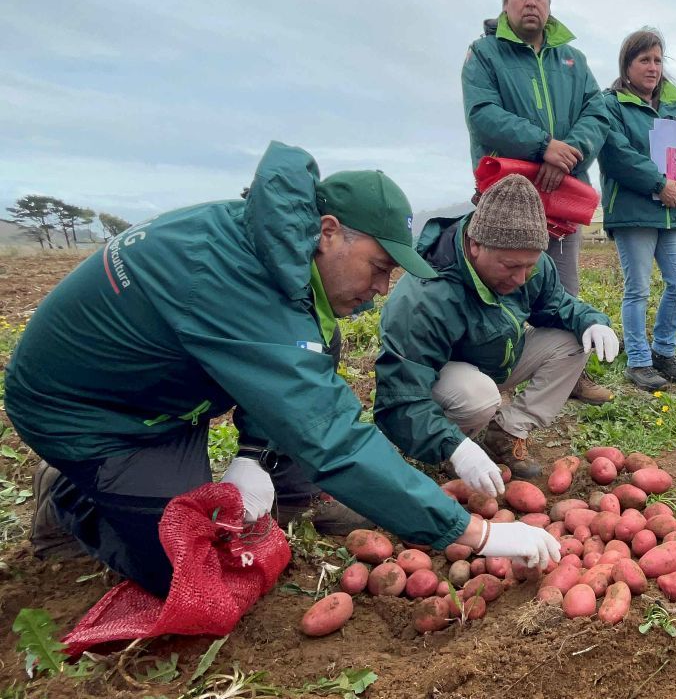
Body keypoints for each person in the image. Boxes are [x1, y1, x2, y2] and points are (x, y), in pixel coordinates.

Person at [4, 142, 560, 598]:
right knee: (192, 575)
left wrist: (251, 457)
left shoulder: (273, 253)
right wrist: (475, 533)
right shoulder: (226, 275)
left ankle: (289, 488)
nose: (382, 288)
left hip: (161, 399)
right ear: (329, 231)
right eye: (379, 266)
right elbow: (332, 437)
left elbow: (293, 370)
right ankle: (69, 495)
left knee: (321, 346)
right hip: (89, 414)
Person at [374, 175, 619, 480]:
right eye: (510, 266)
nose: (521, 277)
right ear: (476, 245)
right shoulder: (425, 296)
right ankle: (449, 448)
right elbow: (401, 395)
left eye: (529, 266)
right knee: (479, 397)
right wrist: (453, 447)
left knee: (573, 341)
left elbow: (556, 306)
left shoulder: (530, 264)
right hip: (441, 378)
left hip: (495, 359)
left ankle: (506, 432)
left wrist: (591, 321)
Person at [461, 0, 612, 404]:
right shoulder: (484, 54)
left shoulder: (573, 60)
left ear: (549, 0)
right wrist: (542, 145)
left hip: (560, 191)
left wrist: (568, 151)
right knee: (499, 277)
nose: (531, 0)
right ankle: (490, 374)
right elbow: (483, 115)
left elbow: (597, 112)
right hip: (507, 192)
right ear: (505, 0)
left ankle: (570, 371)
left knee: (563, 283)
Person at [597, 28, 676, 391]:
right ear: (627, 65)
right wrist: (657, 184)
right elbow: (616, 153)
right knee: (639, 288)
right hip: (634, 210)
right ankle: (639, 360)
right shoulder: (610, 104)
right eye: (644, 60)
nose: (652, 67)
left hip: (672, 211)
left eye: (658, 60)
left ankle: (663, 350)